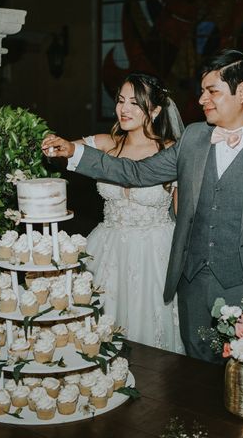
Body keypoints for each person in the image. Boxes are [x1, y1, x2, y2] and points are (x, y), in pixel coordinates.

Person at [42, 50, 243, 363]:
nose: (203, 99)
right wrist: (73, 153)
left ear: (241, 92)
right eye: (202, 91)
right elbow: (136, 172)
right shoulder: (192, 138)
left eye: (212, 91)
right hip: (193, 288)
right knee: (192, 380)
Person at [73, 72, 185, 354]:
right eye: (121, 101)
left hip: (154, 253)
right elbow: (62, 150)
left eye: (135, 103)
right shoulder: (106, 144)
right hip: (108, 250)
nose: (124, 109)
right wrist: (53, 144)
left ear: (156, 110)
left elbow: (184, 214)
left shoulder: (170, 152)